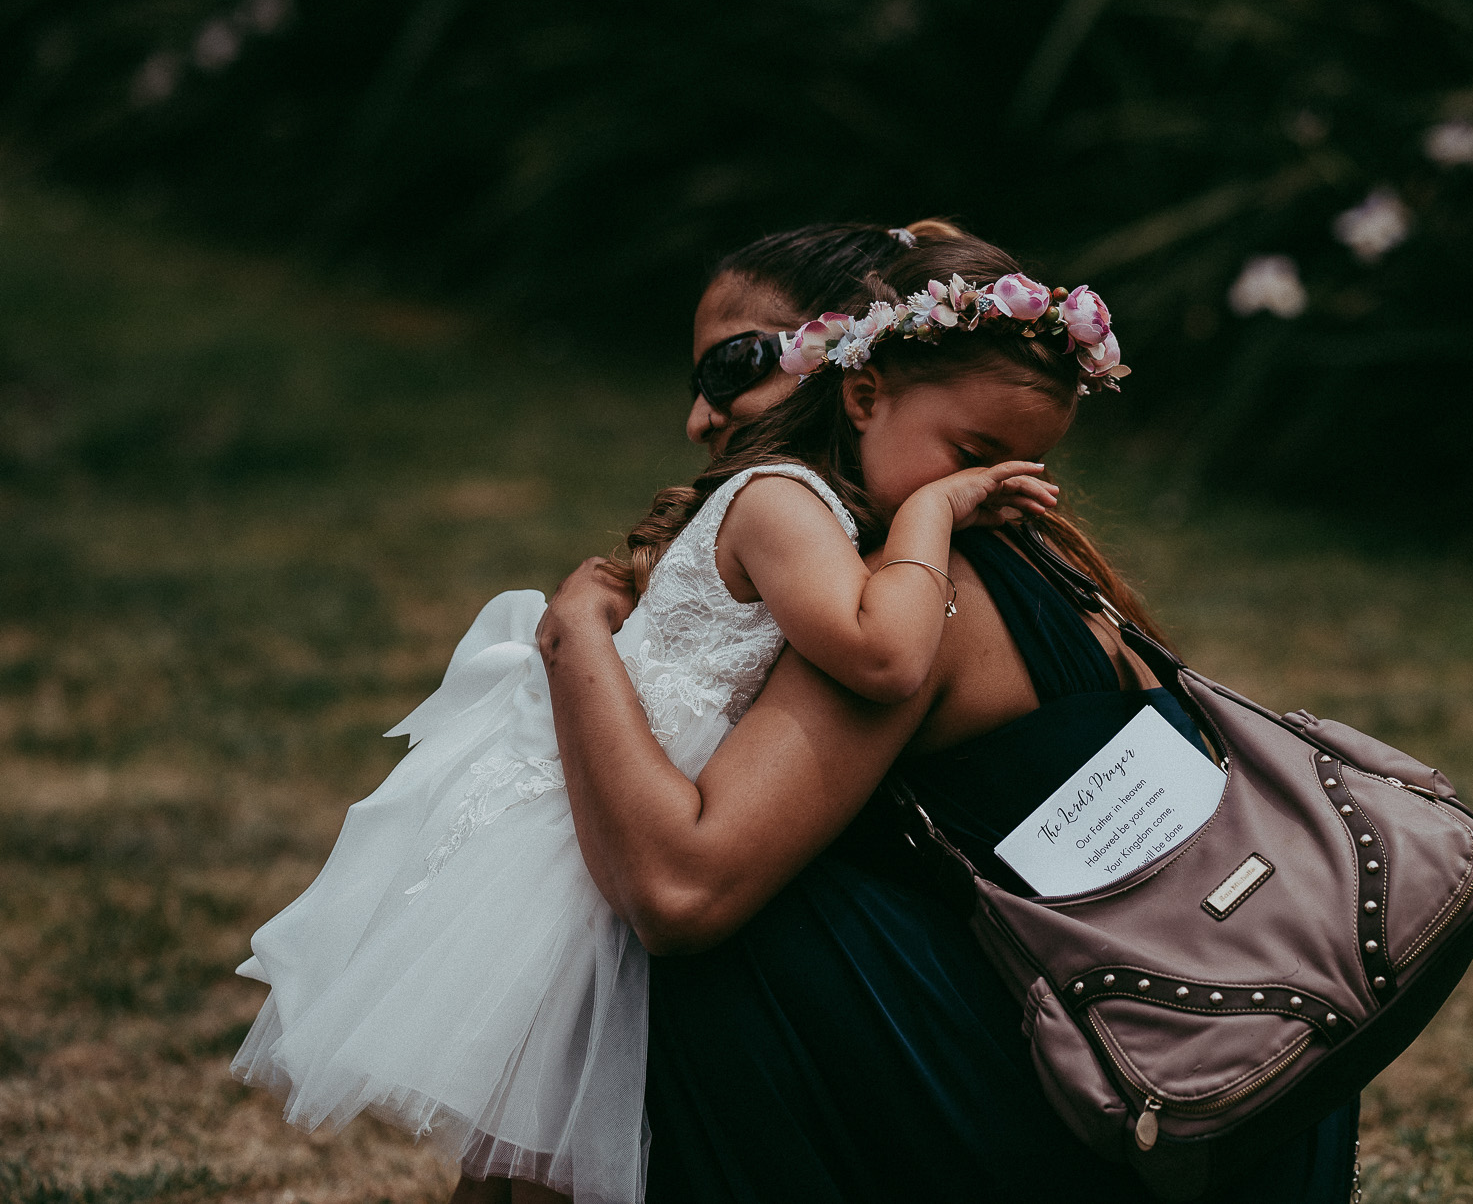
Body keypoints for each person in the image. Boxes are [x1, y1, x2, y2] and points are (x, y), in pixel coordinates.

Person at [229, 219, 1069, 1204]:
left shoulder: (878, 543)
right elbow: (879, 649)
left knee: (531, 1152)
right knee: (535, 1146)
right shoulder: (795, 508)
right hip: (608, 836)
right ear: (864, 384)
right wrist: (930, 513)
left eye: (736, 364)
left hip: (638, 840)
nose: (699, 416)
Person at [540, 222, 1361, 1203]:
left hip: (1128, 1128)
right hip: (1236, 1118)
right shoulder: (1049, 569)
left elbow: (678, 892)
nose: (699, 416)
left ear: (857, 369)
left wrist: (573, 642)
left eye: (737, 363)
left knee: (703, 923)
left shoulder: (925, 599)